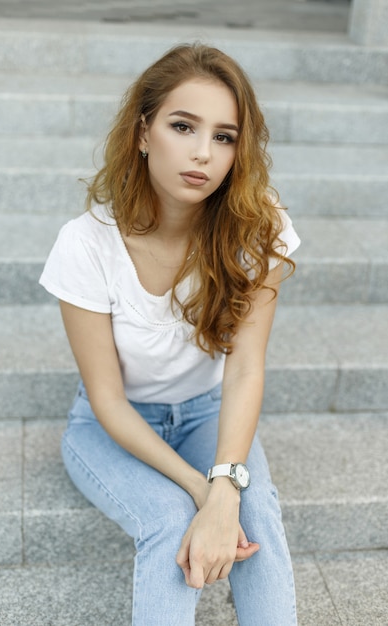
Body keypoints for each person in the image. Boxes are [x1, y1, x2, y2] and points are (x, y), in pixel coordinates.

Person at [39, 43, 300, 625]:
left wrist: (228, 485)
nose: (203, 153)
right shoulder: (85, 245)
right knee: (168, 515)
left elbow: (246, 366)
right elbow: (106, 399)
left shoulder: (259, 229)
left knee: (254, 512)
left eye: (225, 136)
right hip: (114, 427)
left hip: (209, 415)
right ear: (142, 132)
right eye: (183, 126)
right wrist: (203, 492)